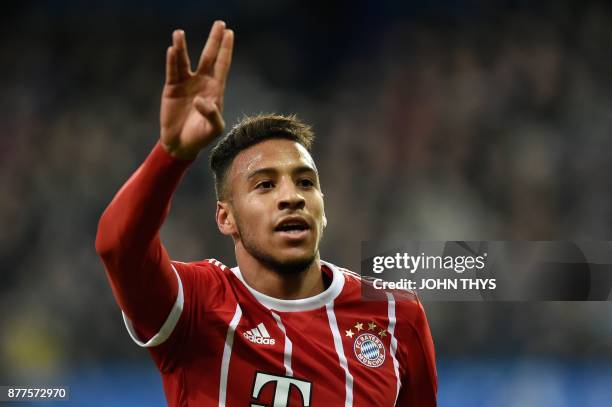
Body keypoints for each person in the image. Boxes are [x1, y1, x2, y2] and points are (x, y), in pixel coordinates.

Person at [95, 20, 437, 406]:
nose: (292, 197)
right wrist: (171, 153)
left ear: (324, 209)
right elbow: (118, 246)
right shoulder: (197, 305)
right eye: (265, 185)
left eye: (306, 182)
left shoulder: (396, 315)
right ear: (226, 218)